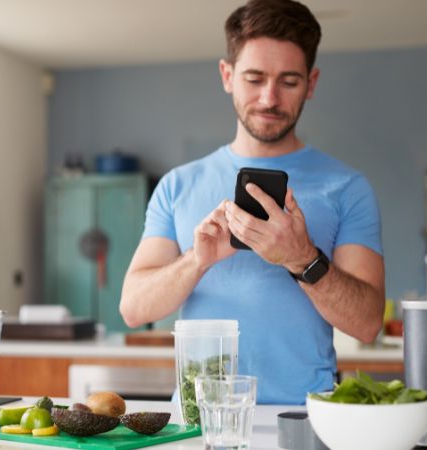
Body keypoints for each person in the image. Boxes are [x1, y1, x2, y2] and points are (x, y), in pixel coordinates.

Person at [119, 0, 385, 404]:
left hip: (304, 421)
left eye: (289, 81)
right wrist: (198, 259)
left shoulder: (347, 187)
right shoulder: (178, 185)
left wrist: (301, 257)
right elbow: (134, 309)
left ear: (311, 84)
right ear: (227, 76)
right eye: (254, 78)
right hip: (199, 423)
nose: (269, 98)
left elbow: (367, 325)